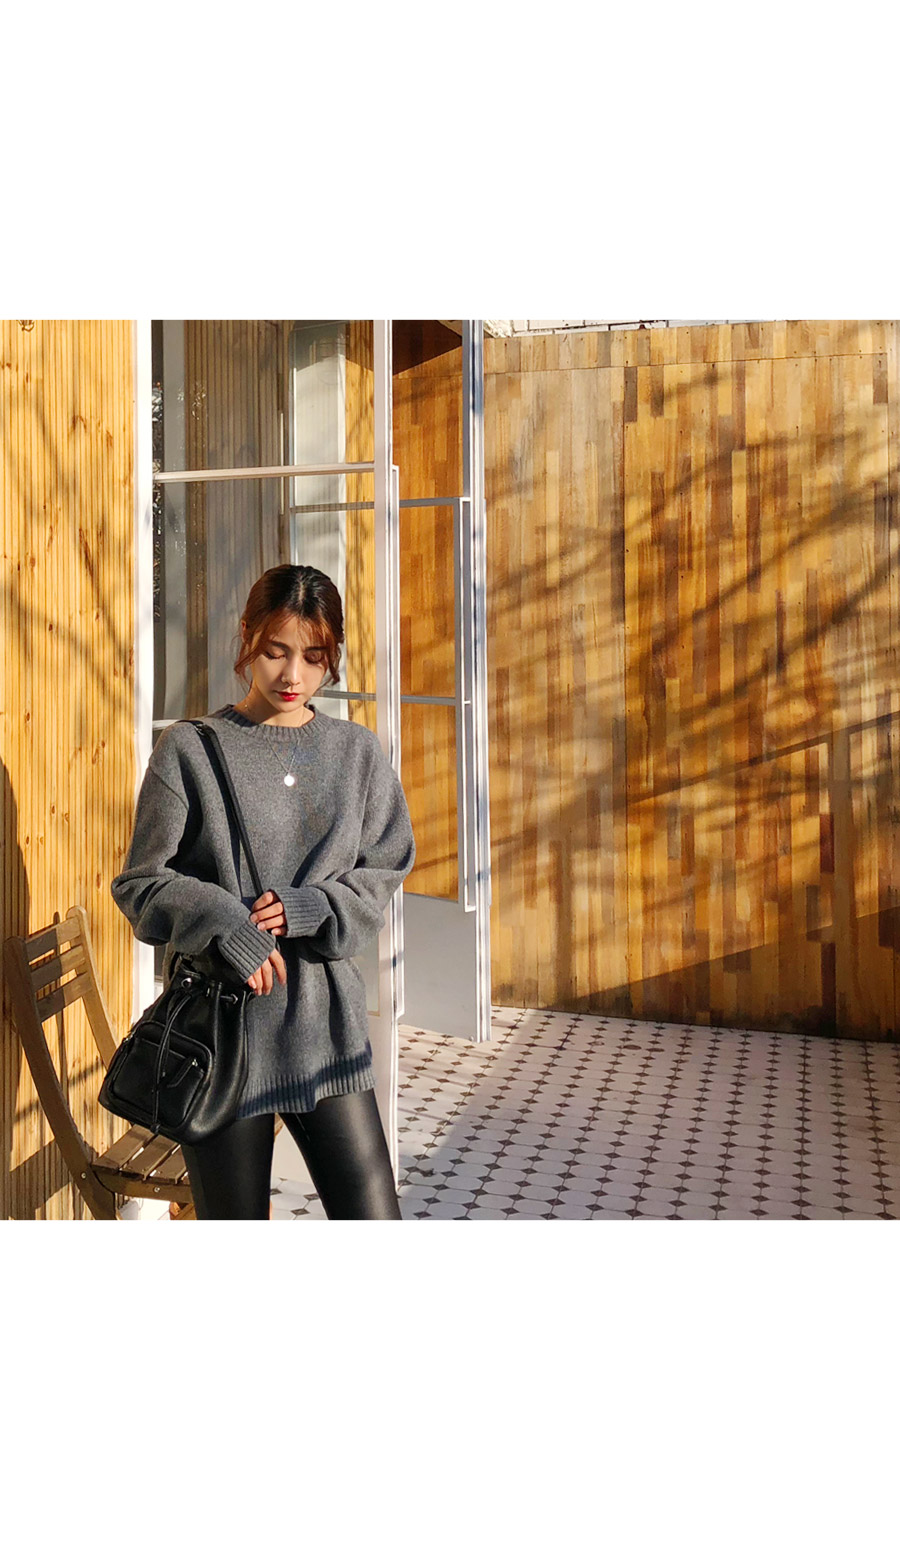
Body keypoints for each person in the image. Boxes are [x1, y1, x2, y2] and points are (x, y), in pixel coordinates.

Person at [110, 563, 416, 1220]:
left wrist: (314, 907)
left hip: (324, 1031)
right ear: (247, 633)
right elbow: (141, 882)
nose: (292, 674)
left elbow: (388, 864)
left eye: (314, 656)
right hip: (224, 1038)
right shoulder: (190, 749)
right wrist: (226, 923)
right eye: (276, 650)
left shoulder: (356, 753)